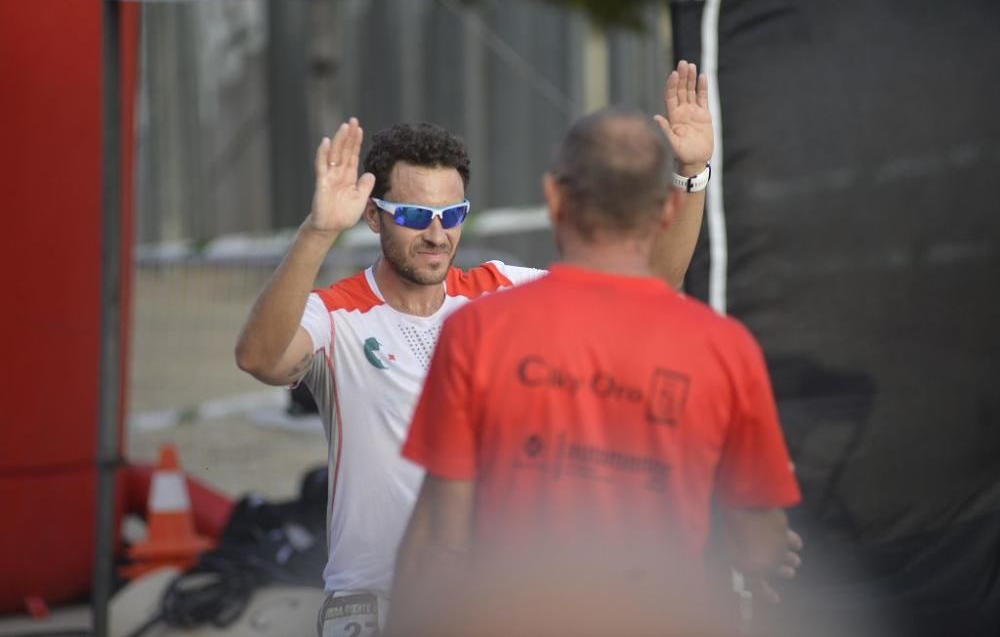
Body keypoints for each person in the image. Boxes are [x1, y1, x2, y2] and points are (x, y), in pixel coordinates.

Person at [234, 60, 715, 635]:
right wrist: (317, 232)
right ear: (371, 216)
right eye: (414, 215)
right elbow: (259, 358)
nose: (437, 235)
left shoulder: (502, 289)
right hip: (375, 605)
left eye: (451, 214)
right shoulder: (336, 311)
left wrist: (690, 174)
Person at [389, 108, 802, 636]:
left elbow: (440, 542)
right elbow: (758, 543)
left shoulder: (477, 332)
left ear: (555, 199)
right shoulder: (726, 348)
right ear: (668, 208)